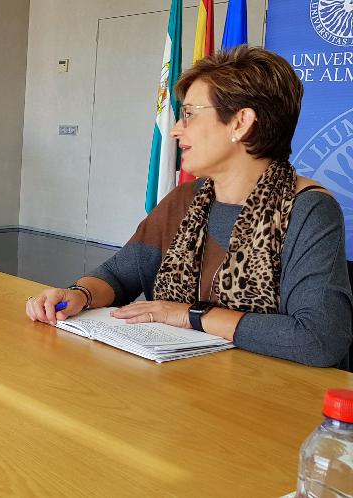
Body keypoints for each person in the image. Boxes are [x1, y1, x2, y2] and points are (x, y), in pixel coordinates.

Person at [25, 46, 352, 368]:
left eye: (190, 115)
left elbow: (318, 340)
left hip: (266, 398)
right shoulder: (185, 200)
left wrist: (187, 315)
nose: (175, 129)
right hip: (183, 385)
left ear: (240, 123)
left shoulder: (309, 210)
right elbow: (118, 275)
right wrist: (78, 295)